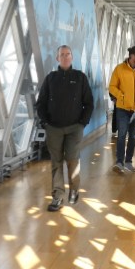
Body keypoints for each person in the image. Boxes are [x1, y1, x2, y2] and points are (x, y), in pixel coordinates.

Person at [35, 45, 94, 211]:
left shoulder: (80, 77)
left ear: (72, 57)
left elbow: (89, 103)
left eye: (68, 54)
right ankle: (58, 196)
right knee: (56, 162)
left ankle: (74, 190)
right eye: (62, 55)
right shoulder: (50, 78)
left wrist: (83, 122)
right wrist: (45, 122)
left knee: (72, 160)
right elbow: (41, 103)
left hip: (75, 128)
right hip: (53, 128)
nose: (66, 57)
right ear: (57, 58)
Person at [108, 45, 135, 173]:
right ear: (132, 56)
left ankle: (128, 161)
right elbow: (112, 86)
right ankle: (119, 162)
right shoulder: (119, 69)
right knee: (121, 135)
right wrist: (121, 96)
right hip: (122, 108)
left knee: (133, 136)